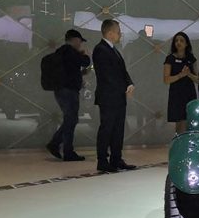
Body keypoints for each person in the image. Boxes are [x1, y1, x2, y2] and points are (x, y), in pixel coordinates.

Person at [93, 19, 135, 173]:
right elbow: (107, 75)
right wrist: (124, 86)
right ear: (110, 33)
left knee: (118, 129)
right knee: (107, 129)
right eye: (118, 31)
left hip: (117, 97)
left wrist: (129, 84)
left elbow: (122, 72)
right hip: (109, 97)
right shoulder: (100, 49)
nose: (120, 34)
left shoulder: (113, 50)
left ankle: (116, 159)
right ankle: (102, 160)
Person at [46, 29, 92, 161]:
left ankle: (59, 145)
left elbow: (70, 71)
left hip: (62, 90)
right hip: (68, 91)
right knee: (71, 119)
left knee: (70, 119)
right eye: (80, 41)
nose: (80, 44)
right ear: (75, 39)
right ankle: (64, 149)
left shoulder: (61, 52)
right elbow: (85, 61)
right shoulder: (69, 51)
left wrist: (81, 74)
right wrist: (85, 55)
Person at [164, 32, 198, 134]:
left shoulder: (191, 59)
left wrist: (188, 74)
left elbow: (198, 79)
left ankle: (187, 145)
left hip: (189, 93)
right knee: (179, 123)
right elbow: (166, 79)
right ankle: (179, 145)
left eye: (181, 40)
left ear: (186, 44)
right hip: (176, 94)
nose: (178, 43)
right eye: (176, 40)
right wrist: (180, 75)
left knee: (188, 121)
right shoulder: (170, 59)